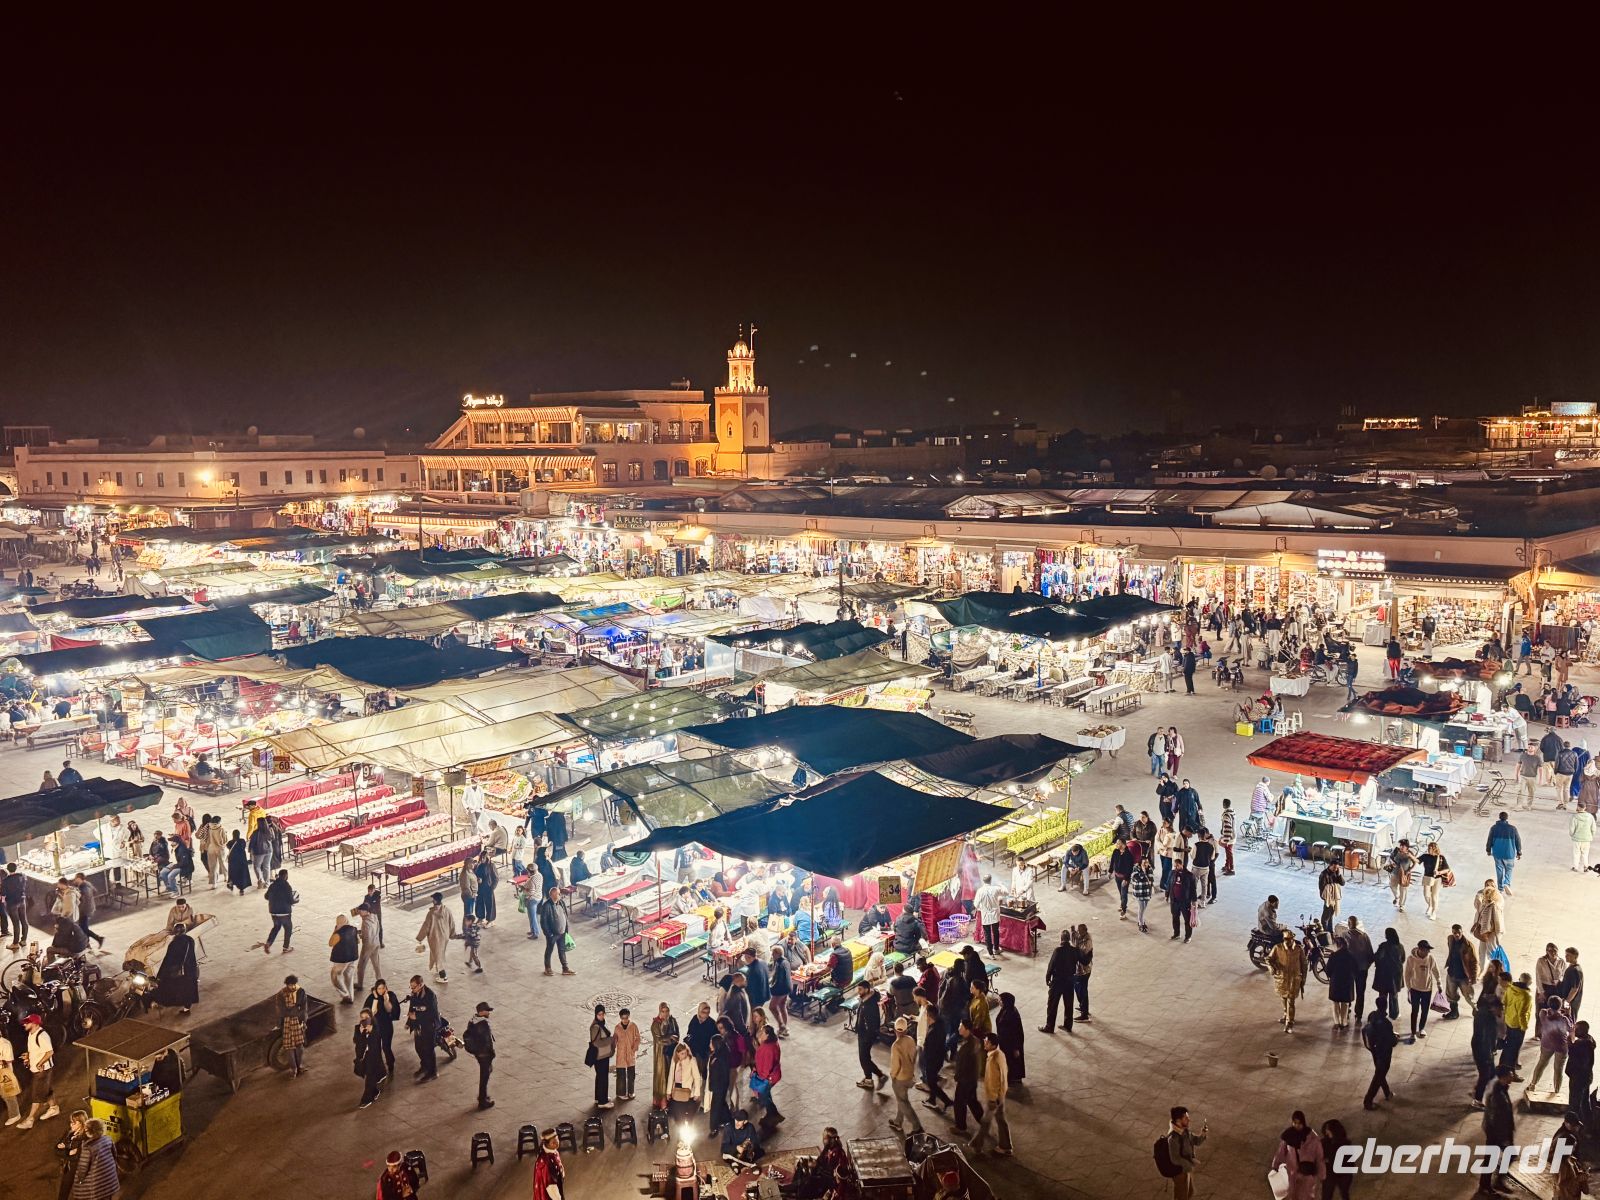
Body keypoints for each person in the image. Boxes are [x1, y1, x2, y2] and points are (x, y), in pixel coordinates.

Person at [1269, 1110, 1324, 1199]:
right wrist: (1275, 1165)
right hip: (1293, 1171)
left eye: (1299, 1123)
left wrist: (1321, 1174)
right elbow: (1281, 1152)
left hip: (1308, 1171)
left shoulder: (1312, 1137)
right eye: (1295, 1123)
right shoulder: (1288, 1136)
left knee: (1307, 1194)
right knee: (1294, 1194)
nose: (1297, 1125)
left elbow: (1319, 1156)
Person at [1481, 1065, 1518, 1195]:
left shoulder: (1501, 1088)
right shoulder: (1498, 1095)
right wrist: (1504, 1138)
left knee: (1493, 1158)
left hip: (1498, 1132)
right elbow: (1496, 1118)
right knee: (1492, 1159)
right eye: (1510, 1074)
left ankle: (1494, 1182)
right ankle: (1487, 1185)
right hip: (1496, 1133)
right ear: (1504, 1077)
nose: (1513, 1075)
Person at [1529, 996, 1575, 1095]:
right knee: (1558, 1070)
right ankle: (1556, 1091)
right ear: (1561, 1005)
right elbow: (1571, 1029)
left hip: (1546, 1044)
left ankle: (1533, 1084)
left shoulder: (1543, 1013)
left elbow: (1549, 1013)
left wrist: (1558, 1011)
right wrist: (1568, 1014)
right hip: (1561, 1047)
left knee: (1541, 1064)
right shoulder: (1564, 1019)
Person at [153, 921, 199, 1015]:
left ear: (175, 932)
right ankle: (187, 1009)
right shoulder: (190, 940)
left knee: (169, 985)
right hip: (190, 969)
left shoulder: (174, 943)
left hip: (177, 970)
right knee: (188, 989)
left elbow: (168, 959)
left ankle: (162, 1002)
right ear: (184, 931)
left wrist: (160, 974)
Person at [1471, 978, 1503, 1106]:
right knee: (1485, 1074)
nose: (1501, 1012)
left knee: (1491, 1073)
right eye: (1499, 1009)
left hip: (1484, 1048)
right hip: (1482, 1050)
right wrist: (1488, 1054)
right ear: (1493, 1008)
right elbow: (1485, 1038)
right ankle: (1477, 1099)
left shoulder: (1484, 1014)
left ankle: (1478, 1089)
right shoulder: (1487, 1019)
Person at [951, 1018, 985, 1137]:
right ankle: (983, 1120)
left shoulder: (966, 1046)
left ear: (967, 1029)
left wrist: (957, 1076)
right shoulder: (975, 1041)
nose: (959, 1028)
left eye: (961, 1026)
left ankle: (961, 1127)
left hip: (965, 1079)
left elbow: (963, 1065)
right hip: (972, 1078)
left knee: (959, 1102)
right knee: (972, 1100)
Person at [1404, 938, 1442, 1042]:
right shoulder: (1411, 959)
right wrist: (1409, 988)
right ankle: (1412, 1032)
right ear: (1420, 949)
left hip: (1427, 989)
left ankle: (1421, 1029)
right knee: (1414, 1011)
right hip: (1415, 989)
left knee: (1425, 1011)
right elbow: (1407, 974)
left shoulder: (1430, 958)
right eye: (1427, 950)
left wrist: (1439, 983)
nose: (1429, 952)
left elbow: (1436, 971)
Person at [69, 1118, 118, 1200]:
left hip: (96, 1183)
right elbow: (114, 1155)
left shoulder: (88, 1147)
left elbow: (83, 1167)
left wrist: (80, 1180)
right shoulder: (108, 1140)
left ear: (88, 1131)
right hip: (109, 1178)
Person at [414, 891, 455, 984]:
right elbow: (451, 922)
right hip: (445, 937)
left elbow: (426, 926)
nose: (432, 901)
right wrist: (452, 934)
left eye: (433, 899)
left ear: (435, 901)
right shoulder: (447, 910)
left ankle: (443, 976)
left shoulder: (431, 913)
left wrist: (420, 938)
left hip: (435, 937)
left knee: (438, 956)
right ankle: (437, 968)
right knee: (439, 954)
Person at [1165, 1106, 1206, 1200]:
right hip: (1179, 1171)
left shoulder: (1185, 1131)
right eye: (1186, 1118)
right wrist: (1190, 1163)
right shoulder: (1173, 1138)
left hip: (1185, 1168)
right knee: (1182, 1196)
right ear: (1178, 1120)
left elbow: (1196, 1141)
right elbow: (1175, 1158)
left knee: (1189, 1192)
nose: (1189, 1119)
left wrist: (1203, 1134)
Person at [1362, 1005, 1397, 1110]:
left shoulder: (1367, 1028)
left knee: (1379, 1074)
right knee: (1378, 1077)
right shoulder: (1386, 1024)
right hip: (1384, 1055)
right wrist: (1394, 1037)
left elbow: (1368, 1044)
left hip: (1375, 1053)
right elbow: (1393, 1042)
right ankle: (1368, 1101)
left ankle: (1387, 1093)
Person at [363, 979, 401, 1076]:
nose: (381, 990)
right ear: (376, 989)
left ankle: (390, 1063)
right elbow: (371, 1012)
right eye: (379, 988)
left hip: (386, 1026)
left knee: (386, 1047)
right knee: (376, 1048)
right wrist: (376, 998)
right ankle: (380, 1068)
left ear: (386, 988)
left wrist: (386, 1000)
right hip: (375, 1027)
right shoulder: (371, 998)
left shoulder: (391, 995)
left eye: (383, 988)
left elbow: (389, 1010)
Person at [405, 974, 438, 1083]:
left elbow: (432, 1013)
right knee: (419, 1048)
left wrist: (417, 1016)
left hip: (429, 1026)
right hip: (418, 1026)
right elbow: (412, 1009)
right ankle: (424, 1066)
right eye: (411, 987)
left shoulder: (430, 995)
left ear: (421, 985)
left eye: (414, 987)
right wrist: (409, 1022)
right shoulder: (414, 994)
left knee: (428, 1049)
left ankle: (432, 1072)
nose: (412, 989)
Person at [1442, 924, 1480, 1020]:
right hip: (1452, 973)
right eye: (1455, 933)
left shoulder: (1468, 946)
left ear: (1462, 932)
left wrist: (1474, 978)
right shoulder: (1450, 939)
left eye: (1459, 932)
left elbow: (1474, 962)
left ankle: (1476, 1009)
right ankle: (1454, 1012)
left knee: (1469, 996)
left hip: (1464, 976)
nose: (1457, 935)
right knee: (1451, 995)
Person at [463, 1000, 495, 1110]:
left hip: (478, 1053)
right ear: (481, 1012)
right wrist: (491, 1054)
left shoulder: (473, 1020)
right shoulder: (483, 1024)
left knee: (486, 1073)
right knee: (484, 1077)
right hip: (484, 1055)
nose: (489, 1013)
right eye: (487, 1011)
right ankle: (482, 1100)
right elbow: (487, 1042)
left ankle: (483, 1096)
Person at [353, 1008, 388, 1109]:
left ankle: (367, 1099)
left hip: (373, 1056)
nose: (364, 1020)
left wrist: (371, 1032)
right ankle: (376, 1089)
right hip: (363, 1056)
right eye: (362, 1018)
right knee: (369, 1075)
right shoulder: (357, 1028)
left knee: (370, 1077)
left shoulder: (376, 1028)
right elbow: (356, 1042)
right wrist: (361, 1033)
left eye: (366, 1018)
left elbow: (377, 1042)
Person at [276, 975, 309, 1078]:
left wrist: (303, 1021)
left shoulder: (301, 991)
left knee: (299, 1046)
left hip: (298, 1021)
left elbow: (304, 1008)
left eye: (294, 984)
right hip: (287, 1022)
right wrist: (295, 1010)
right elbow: (281, 1011)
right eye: (290, 985)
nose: (293, 986)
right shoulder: (281, 994)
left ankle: (300, 1066)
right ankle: (293, 1069)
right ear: (287, 985)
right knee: (289, 1047)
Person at [751, 1025, 783, 1132]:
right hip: (771, 1075)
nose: (761, 1034)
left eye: (763, 1033)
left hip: (767, 1078)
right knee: (766, 1095)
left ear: (767, 1035)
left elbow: (767, 1067)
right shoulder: (772, 1044)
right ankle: (772, 1115)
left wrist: (760, 1079)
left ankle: (774, 1115)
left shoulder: (768, 1049)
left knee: (763, 1097)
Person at [1502, 971, 1533, 1075]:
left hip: (1509, 1020)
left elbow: (1504, 1002)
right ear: (1529, 983)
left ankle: (1502, 1066)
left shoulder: (1510, 988)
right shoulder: (1526, 996)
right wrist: (1524, 1027)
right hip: (1518, 1025)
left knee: (1508, 1045)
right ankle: (1511, 1072)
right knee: (1515, 1049)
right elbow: (1522, 1014)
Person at [538, 885, 574, 976]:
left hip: (562, 932)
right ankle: (547, 968)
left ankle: (565, 968)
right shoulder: (546, 906)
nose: (560, 895)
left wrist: (565, 928)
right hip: (553, 934)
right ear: (552, 895)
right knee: (549, 950)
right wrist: (548, 934)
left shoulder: (561, 902)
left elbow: (565, 914)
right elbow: (543, 922)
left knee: (562, 950)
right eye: (558, 894)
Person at [650, 1002, 680, 1110]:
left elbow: (677, 1035)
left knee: (671, 1074)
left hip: (671, 1052)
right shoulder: (656, 1024)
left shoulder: (672, 1021)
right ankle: (661, 1100)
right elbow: (658, 1040)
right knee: (661, 1076)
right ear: (659, 1011)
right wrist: (670, 1038)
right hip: (661, 1054)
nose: (665, 1013)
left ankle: (669, 1097)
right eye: (663, 1011)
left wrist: (672, 1039)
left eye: (667, 1011)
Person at [1485, 811, 1523, 894]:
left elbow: (1489, 840)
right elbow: (1518, 840)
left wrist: (1488, 850)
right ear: (1507, 818)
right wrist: (1519, 852)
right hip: (1509, 853)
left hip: (1497, 853)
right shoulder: (1513, 828)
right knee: (1509, 869)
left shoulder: (1494, 828)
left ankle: (1501, 889)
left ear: (1499, 817)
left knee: (1499, 870)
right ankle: (1506, 883)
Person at [260, 869, 296, 954]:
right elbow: (291, 900)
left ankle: (268, 943)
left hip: (273, 912)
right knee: (288, 929)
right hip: (284, 912)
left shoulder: (273, 885)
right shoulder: (287, 886)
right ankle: (286, 947)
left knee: (276, 928)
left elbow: (266, 896)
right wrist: (295, 900)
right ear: (286, 876)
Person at [1372, 927, 1404, 1021]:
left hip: (1384, 975)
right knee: (1394, 995)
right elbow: (1403, 959)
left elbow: (1378, 957)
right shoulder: (1400, 946)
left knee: (1382, 995)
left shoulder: (1384, 946)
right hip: (1396, 975)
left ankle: (1381, 1012)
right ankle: (1394, 1013)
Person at [703, 1035, 732, 1135]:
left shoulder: (720, 1058)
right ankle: (727, 1119)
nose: (709, 1045)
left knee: (715, 1106)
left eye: (711, 1043)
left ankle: (713, 1128)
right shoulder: (717, 1055)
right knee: (721, 1103)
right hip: (719, 1086)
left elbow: (723, 1074)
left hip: (719, 1086)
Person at [1327, 935, 1357, 1030]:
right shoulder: (1351, 956)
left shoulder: (1333, 956)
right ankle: (1344, 1022)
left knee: (1335, 1003)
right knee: (1345, 1003)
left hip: (1336, 982)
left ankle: (1336, 1022)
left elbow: (1328, 970)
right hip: (1347, 982)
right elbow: (1356, 970)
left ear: (1338, 945)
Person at [587, 1003, 615, 1109]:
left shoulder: (601, 1024)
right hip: (600, 1056)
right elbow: (596, 1042)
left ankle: (599, 1097)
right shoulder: (595, 1027)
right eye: (599, 1014)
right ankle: (602, 1102)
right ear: (595, 1015)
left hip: (602, 1055)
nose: (601, 1016)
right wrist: (610, 1040)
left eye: (603, 1014)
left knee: (600, 1077)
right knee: (602, 1077)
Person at [1567, 1020, 1595, 1123]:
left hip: (1578, 1078)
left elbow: (1573, 1054)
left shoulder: (1580, 1044)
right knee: (1584, 1101)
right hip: (1586, 1076)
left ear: (1581, 1030)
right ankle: (1587, 1122)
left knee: (1574, 1103)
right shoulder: (1589, 1039)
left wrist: (1569, 1042)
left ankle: (1572, 1122)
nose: (1574, 1030)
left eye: (1576, 1029)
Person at [1472, 879, 1504, 964]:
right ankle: (1482, 969)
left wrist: (1497, 933)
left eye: (1492, 885)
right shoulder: (1482, 896)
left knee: (1491, 951)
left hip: (1493, 931)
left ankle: (1493, 970)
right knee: (1482, 950)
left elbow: (1498, 921)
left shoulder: (1497, 901)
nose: (1489, 887)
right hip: (1483, 930)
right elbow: (1477, 904)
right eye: (1487, 885)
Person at [1417, 840, 1450, 920]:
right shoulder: (1425, 856)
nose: (1428, 850)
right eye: (1428, 848)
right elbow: (1418, 861)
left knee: (1434, 896)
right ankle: (1430, 905)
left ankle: (1434, 912)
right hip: (1427, 877)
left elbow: (1447, 869)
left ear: (1434, 849)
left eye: (1430, 848)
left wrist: (1439, 872)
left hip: (1437, 879)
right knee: (1426, 894)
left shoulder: (1440, 857)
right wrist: (1411, 856)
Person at [972, 873, 1003, 958]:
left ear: (983, 881)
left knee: (987, 934)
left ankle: (990, 954)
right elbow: (1006, 893)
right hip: (995, 915)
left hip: (986, 916)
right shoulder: (996, 889)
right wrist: (1001, 884)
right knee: (996, 932)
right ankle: (996, 949)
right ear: (991, 880)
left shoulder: (980, 891)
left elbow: (975, 904)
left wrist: (981, 908)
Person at [532, 1129, 565, 1200]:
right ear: (547, 1144)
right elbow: (551, 1186)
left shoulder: (551, 1151)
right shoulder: (547, 1163)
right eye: (553, 1142)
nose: (557, 1143)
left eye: (557, 1140)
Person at [1168, 858, 1195, 942]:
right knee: (1175, 918)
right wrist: (1167, 895)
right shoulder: (1172, 873)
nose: (1176, 867)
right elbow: (1169, 884)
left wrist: (1194, 901)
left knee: (1187, 920)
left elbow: (1193, 889)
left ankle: (1188, 937)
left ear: (1181, 864)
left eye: (1177, 866)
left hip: (1185, 902)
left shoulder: (1189, 875)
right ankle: (1176, 934)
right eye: (1174, 866)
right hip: (1174, 901)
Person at [1129, 857, 1153, 933]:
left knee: (1144, 908)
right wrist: (1143, 871)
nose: (1146, 864)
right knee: (1141, 908)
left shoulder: (1150, 868)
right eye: (1144, 863)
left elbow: (1151, 879)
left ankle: (1141, 920)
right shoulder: (1135, 868)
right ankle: (1141, 923)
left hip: (1147, 891)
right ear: (1140, 863)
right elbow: (1137, 878)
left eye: (1147, 862)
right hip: (1139, 892)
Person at [225, 829, 251, 895]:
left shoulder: (230, 843)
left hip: (233, 861)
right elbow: (244, 846)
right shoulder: (242, 841)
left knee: (232, 873)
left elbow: (228, 846)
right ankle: (241, 890)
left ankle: (231, 884)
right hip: (242, 860)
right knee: (241, 874)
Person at [1571, 806, 1596, 871]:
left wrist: (1572, 835)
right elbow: (1593, 829)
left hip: (1577, 839)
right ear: (1585, 808)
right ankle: (1586, 867)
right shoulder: (1590, 816)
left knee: (1576, 853)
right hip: (1587, 839)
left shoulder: (1574, 817)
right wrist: (1590, 836)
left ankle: (1576, 867)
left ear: (1578, 808)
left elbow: (1571, 830)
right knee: (1585, 853)